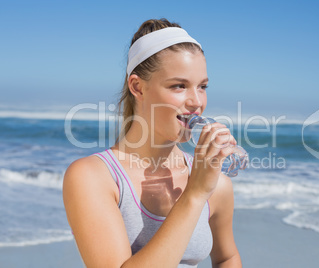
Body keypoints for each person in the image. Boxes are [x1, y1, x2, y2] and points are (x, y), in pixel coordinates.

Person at [63, 18, 242, 267]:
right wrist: (195, 194)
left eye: (202, 87)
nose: (196, 102)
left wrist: (203, 187)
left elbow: (226, 257)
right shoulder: (93, 177)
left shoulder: (217, 185)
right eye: (179, 86)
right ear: (138, 87)